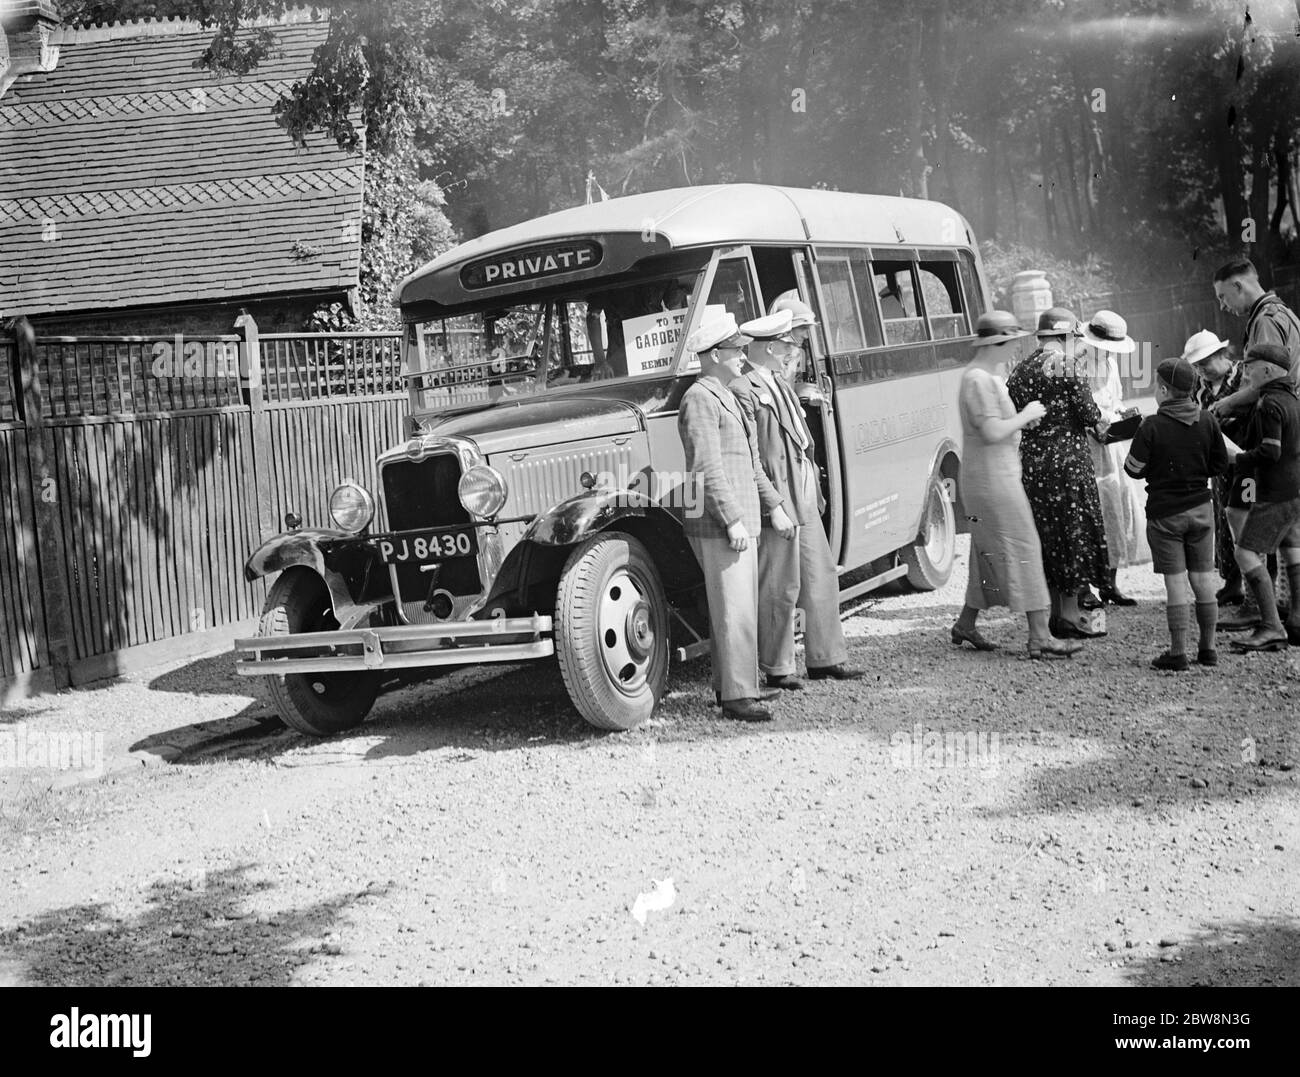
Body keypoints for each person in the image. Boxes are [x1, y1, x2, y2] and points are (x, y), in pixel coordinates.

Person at [731, 310, 863, 687]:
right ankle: (778, 668)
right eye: (788, 344)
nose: (794, 350)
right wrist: (772, 503)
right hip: (778, 496)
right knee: (779, 586)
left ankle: (826, 658)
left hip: (800, 493)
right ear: (772, 347)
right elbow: (750, 455)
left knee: (820, 577)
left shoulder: (777, 382)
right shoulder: (744, 389)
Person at [678, 311, 793, 720]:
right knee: (732, 610)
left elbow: (750, 462)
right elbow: (706, 468)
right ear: (711, 355)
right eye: (734, 351)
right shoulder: (699, 399)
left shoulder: (721, 394)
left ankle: (739, 688)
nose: (742, 358)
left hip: (740, 518)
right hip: (720, 524)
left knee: (740, 608)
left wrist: (774, 505)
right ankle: (735, 698)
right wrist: (731, 519)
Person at [951, 311, 1083, 659]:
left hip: (993, 476)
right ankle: (1040, 636)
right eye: (1011, 341)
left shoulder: (982, 376)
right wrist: (1025, 415)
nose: (1015, 348)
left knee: (987, 552)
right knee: (1025, 547)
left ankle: (966, 623)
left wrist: (1021, 419)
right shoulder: (979, 380)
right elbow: (992, 431)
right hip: (993, 480)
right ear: (998, 343)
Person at [1005, 307, 1112, 639]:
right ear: (1067, 336)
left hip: (1035, 466)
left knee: (1048, 538)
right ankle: (1069, 614)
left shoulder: (1020, 371)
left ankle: (1054, 613)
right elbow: (1090, 414)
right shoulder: (1069, 367)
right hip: (1069, 465)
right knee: (1072, 536)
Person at [1123, 358, 1229, 670]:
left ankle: (1178, 653)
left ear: (1166, 390)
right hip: (1200, 509)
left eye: (1156, 385)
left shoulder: (1151, 426)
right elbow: (1219, 465)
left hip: (1165, 514)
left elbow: (1132, 470)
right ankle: (1208, 650)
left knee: (1175, 583)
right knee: (1202, 579)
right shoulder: (1207, 420)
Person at [1221, 343, 1300, 651]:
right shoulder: (1292, 398)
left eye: (1250, 367)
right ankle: (1295, 620)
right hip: (1294, 489)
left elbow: (1270, 450)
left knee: (1245, 553)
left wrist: (1236, 459)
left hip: (1270, 490)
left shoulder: (1268, 403)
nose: (1246, 372)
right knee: (1293, 549)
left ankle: (1270, 625)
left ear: (1267, 370)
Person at [1080, 310, 1145, 605]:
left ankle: (1110, 583)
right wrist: (1101, 420)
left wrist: (1121, 415)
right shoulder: (1077, 365)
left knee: (1116, 510)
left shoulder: (1110, 364)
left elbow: (1114, 399)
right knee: (1092, 514)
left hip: (1111, 447)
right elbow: (1081, 407)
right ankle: (1086, 587)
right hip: (1089, 447)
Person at [1185, 329, 1245, 605]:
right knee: (1222, 517)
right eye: (1197, 366)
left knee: (1247, 518)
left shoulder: (1244, 377)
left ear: (1222, 355)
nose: (1203, 370)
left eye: (1206, 363)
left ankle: (1257, 585)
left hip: (1247, 464)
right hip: (1221, 466)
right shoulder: (1199, 389)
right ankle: (1232, 581)